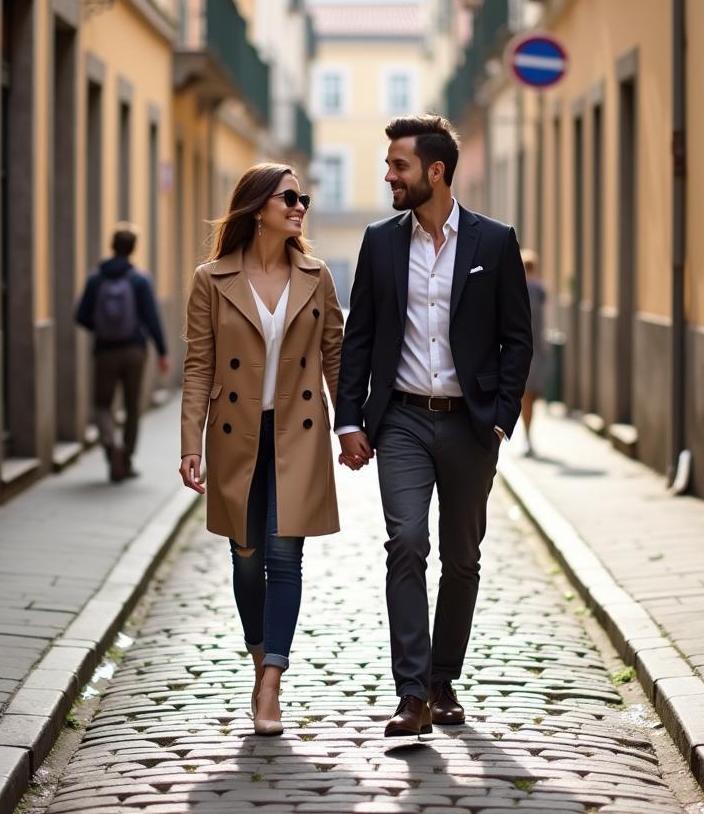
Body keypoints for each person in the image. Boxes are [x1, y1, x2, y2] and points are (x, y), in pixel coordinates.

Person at [335, 114, 532, 737]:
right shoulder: (380, 241)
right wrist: (349, 420)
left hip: (471, 426)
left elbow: (517, 339)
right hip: (401, 422)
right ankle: (412, 693)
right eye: (389, 164)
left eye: (399, 165)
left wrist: (501, 418)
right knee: (406, 544)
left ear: (435, 172)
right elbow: (358, 338)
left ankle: (445, 681)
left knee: (462, 558)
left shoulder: (494, 242)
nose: (388, 175)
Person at [178, 163, 343, 736]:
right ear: (257, 208)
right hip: (235, 437)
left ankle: (271, 679)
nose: (300, 206)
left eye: (303, 197)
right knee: (246, 559)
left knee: (283, 555)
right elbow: (199, 364)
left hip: (297, 434)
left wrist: (350, 427)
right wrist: (189, 442)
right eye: (289, 197)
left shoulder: (317, 275)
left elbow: (335, 357)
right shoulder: (212, 278)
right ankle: (258, 655)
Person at [75, 223, 168, 482]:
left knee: (102, 405)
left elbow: (81, 315)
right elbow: (152, 318)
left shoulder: (96, 278)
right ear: (133, 249)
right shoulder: (139, 279)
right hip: (134, 350)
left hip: (105, 351)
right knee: (132, 406)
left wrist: (102, 328)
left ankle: (110, 446)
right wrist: (162, 352)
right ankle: (126, 459)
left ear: (112, 246)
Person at [520, 250, 549, 458]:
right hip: (538, 350)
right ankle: (528, 436)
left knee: (526, 397)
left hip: (522, 350)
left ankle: (527, 435)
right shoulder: (539, 289)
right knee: (532, 395)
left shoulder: (518, 288)